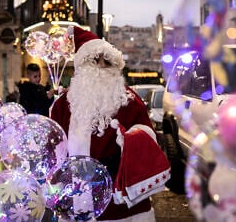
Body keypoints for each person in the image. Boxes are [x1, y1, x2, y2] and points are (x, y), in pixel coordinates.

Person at [51, 26, 170, 221]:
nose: (100, 67)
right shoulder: (63, 105)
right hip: (78, 198)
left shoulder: (130, 100)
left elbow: (149, 138)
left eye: (106, 61)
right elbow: (54, 147)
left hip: (124, 202)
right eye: (93, 61)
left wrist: (129, 141)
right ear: (82, 68)